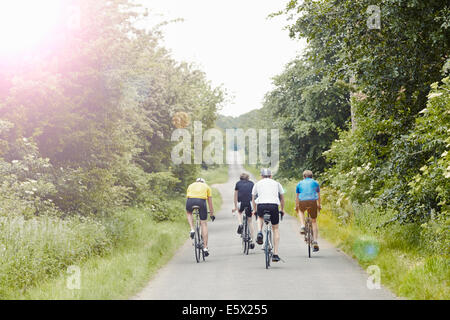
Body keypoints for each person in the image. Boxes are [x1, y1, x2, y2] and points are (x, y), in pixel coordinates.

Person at [251, 168, 285, 262]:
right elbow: (282, 198)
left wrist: (255, 210)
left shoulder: (257, 184)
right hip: (274, 206)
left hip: (261, 205)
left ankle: (259, 232)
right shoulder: (277, 183)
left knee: (260, 217)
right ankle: (275, 254)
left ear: (261, 176)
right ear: (271, 176)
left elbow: (253, 198)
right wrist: (282, 209)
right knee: (275, 229)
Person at [186, 178, 215, 256]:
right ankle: (205, 247)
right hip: (201, 202)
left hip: (190, 201)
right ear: (203, 182)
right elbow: (210, 203)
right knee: (203, 223)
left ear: (196, 182)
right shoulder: (206, 186)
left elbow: (188, 198)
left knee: (189, 213)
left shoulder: (190, 185)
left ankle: (192, 229)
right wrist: (212, 214)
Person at [296, 170, 321, 252]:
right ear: (312, 176)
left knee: (301, 210)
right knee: (314, 221)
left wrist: (296, 206)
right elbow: (318, 196)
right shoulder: (316, 183)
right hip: (312, 201)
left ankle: (302, 225)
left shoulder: (299, 183)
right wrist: (319, 205)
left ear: (303, 177)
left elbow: (297, 197)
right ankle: (315, 241)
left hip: (302, 201)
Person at [232, 173, 255, 250]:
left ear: (240, 178)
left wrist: (235, 207)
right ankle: (252, 241)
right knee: (250, 221)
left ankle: (240, 224)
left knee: (239, 212)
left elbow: (235, 196)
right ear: (248, 178)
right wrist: (255, 208)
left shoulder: (238, 184)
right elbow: (254, 196)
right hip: (249, 203)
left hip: (241, 203)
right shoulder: (252, 184)